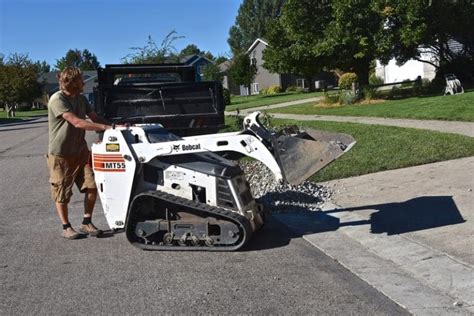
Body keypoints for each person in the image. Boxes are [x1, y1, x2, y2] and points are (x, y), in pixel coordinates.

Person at [47, 67, 112, 240]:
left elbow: (95, 118)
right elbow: (77, 122)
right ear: (70, 82)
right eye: (80, 80)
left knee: (92, 186)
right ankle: (66, 227)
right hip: (61, 154)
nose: (83, 82)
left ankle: (86, 222)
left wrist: (115, 127)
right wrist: (106, 128)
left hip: (81, 151)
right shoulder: (57, 99)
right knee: (62, 192)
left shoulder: (82, 99)